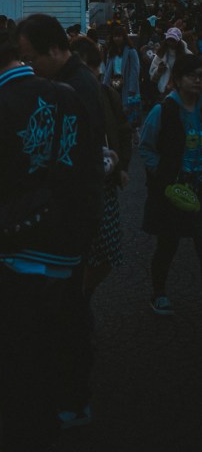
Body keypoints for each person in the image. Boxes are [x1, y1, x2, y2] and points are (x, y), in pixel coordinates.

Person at [0, 22, 99, 452]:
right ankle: (49, 441)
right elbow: (85, 167)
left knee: (15, 355)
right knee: (48, 348)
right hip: (60, 244)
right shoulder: (65, 95)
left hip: (8, 249)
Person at [15, 13, 105, 430]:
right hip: (78, 208)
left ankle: (73, 398)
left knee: (66, 308)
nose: (29, 66)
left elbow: (70, 157)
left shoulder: (74, 87)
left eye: (32, 57)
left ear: (54, 49)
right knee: (68, 305)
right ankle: (72, 390)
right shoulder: (77, 79)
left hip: (72, 212)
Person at [139, 53, 202, 316]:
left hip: (199, 188)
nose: (198, 81)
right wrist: (164, 177)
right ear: (176, 79)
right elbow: (146, 147)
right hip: (173, 190)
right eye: (192, 76)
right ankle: (159, 292)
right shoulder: (163, 109)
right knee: (168, 244)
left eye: (201, 76)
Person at [70, 35, 131, 295]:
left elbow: (122, 130)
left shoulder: (106, 93)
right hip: (71, 185)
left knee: (106, 250)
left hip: (103, 182)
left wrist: (122, 166)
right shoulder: (59, 93)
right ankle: (74, 303)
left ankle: (81, 296)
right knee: (75, 250)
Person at [102, 25, 141, 133]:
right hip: (114, 83)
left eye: (119, 36)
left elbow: (135, 70)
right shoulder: (111, 51)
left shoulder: (131, 51)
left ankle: (133, 132)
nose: (117, 39)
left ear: (124, 37)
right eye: (115, 36)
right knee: (117, 109)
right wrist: (104, 85)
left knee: (129, 110)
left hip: (127, 83)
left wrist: (132, 88)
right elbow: (108, 69)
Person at [149, 26, 191, 98]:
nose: (170, 42)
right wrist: (158, 70)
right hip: (164, 90)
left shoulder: (187, 55)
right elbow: (151, 73)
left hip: (181, 92)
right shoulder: (161, 53)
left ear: (179, 41)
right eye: (169, 39)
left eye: (173, 40)